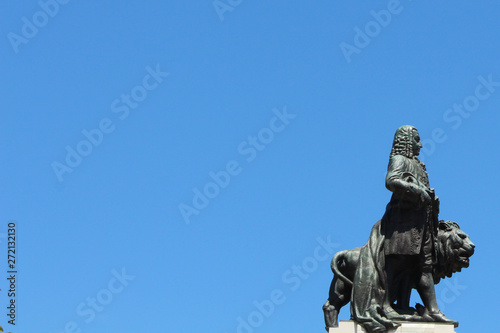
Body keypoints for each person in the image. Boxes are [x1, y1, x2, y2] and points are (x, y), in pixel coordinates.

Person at [350, 125, 456, 333]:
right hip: (402, 222)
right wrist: (416, 190)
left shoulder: (418, 164)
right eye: (417, 140)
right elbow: (391, 181)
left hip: (422, 224)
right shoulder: (400, 160)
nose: (421, 144)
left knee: (425, 266)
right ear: (407, 141)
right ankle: (386, 305)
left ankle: (433, 309)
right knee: (396, 262)